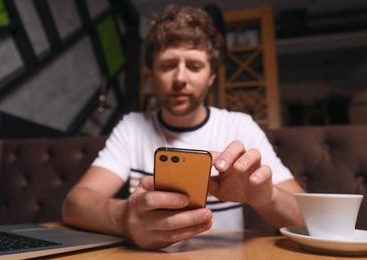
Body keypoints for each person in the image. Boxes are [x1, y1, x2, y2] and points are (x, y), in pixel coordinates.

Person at [61, 5, 305, 250]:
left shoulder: (240, 126)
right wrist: (124, 216)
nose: (180, 79)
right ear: (152, 75)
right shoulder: (131, 127)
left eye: (194, 66)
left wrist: (266, 198)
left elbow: (307, 219)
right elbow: (74, 205)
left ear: (211, 77)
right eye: (167, 66)